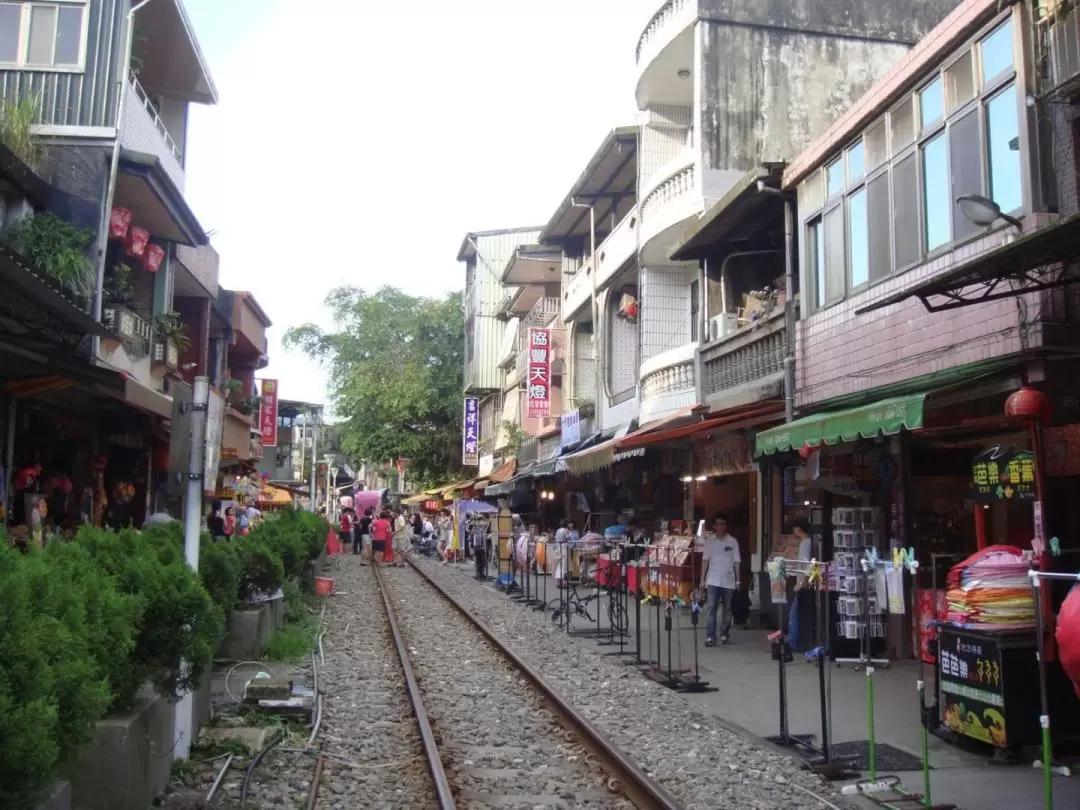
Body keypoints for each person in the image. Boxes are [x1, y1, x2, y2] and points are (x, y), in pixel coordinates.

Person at [699, 513, 741, 647]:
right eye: (719, 524)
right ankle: (711, 636)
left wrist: (738, 580)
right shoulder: (710, 542)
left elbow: (736, 561)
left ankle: (724, 633)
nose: (721, 527)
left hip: (728, 580)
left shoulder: (732, 541)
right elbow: (705, 561)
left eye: (723, 524)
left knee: (727, 610)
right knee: (711, 609)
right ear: (714, 526)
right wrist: (702, 580)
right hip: (713, 580)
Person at [788, 518, 814, 651]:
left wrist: (801, 583)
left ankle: (792, 642)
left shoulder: (805, 543)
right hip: (807, 583)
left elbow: (805, 565)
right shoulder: (810, 542)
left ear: (799, 529)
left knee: (793, 615)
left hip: (803, 584)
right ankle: (793, 641)